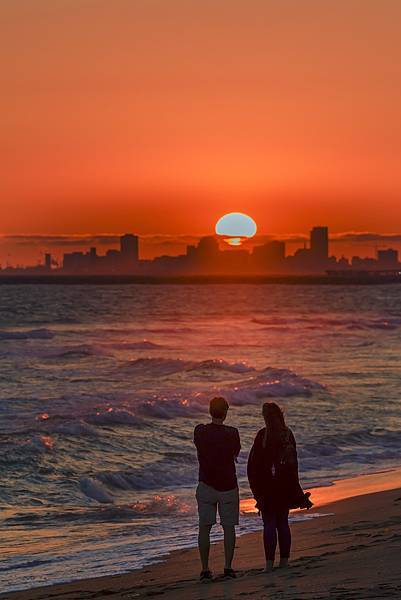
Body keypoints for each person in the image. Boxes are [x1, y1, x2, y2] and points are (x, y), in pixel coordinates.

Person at [247, 402, 312, 572]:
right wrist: (297, 491)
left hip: (267, 487)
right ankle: (284, 562)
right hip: (285, 485)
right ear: (280, 415)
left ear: (265, 418)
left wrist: (256, 492)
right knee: (283, 523)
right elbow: (293, 466)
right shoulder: (287, 435)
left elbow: (253, 466)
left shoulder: (262, 435)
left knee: (268, 523)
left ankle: (269, 565)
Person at [194, 396, 241, 581]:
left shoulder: (200, 431)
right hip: (228, 485)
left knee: (204, 527)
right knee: (229, 528)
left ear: (209, 411)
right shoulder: (232, 433)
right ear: (226, 413)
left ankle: (205, 569)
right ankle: (228, 567)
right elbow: (235, 453)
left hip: (206, 484)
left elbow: (198, 445)